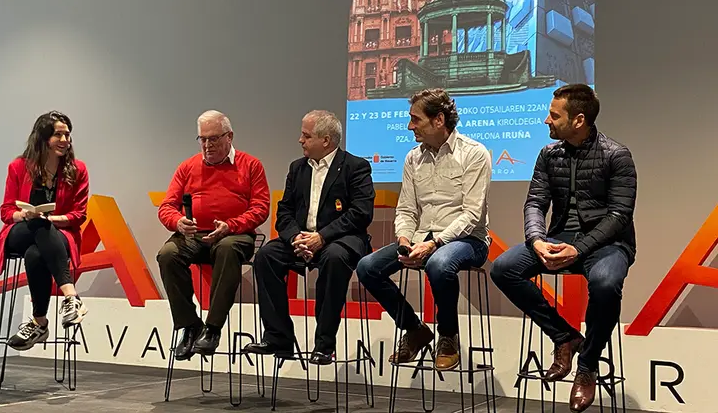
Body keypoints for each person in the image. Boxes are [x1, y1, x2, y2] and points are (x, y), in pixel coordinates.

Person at [490, 84, 636, 412]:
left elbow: (619, 216)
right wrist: (537, 240)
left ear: (578, 120)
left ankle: (587, 365)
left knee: (606, 284)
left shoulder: (617, 155)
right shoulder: (549, 154)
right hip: (559, 238)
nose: (547, 121)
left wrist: (579, 249)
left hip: (608, 243)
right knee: (503, 268)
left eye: (554, 116)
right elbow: (535, 203)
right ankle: (564, 336)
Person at [356, 88, 491, 371]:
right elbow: (406, 209)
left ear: (439, 119)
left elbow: (472, 214)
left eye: (415, 119)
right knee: (368, 267)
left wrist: (434, 244)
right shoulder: (412, 158)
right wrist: (405, 239)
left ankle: (448, 336)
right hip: (422, 238)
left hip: (469, 240)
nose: (409, 126)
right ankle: (414, 329)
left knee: (439, 264)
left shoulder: (474, 153)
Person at [243, 110, 375, 365]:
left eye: (306, 135)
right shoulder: (297, 168)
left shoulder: (355, 167)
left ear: (326, 140)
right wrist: (295, 238)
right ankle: (278, 338)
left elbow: (361, 213)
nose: (300, 140)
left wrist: (321, 237)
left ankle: (324, 344)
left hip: (340, 239)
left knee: (334, 258)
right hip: (301, 238)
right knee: (266, 256)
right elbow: (284, 211)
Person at [157, 110, 270, 361]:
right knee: (168, 254)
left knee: (227, 248)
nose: (207, 145)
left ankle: (213, 328)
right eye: (203, 139)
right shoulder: (187, 167)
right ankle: (190, 325)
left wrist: (231, 225)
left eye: (214, 139)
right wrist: (178, 222)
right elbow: (166, 207)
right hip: (195, 234)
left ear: (229, 137)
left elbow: (261, 208)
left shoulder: (251, 165)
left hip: (235, 234)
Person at [0, 111, 90, 351]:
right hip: (20, 231)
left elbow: (79, 215)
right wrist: (25, 215)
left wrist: (51, 219)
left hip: (59, 235)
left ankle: (39, 323)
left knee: (36, 253)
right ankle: (71, 297)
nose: (65, 140)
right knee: (38, 223)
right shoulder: (18, 167)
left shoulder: (77, 170)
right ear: (43, 137)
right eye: (58, 134)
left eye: (67, 134)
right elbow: (6, 211)